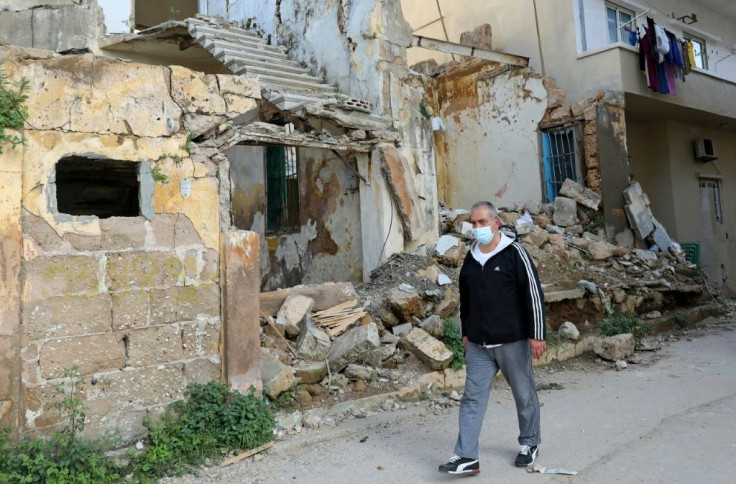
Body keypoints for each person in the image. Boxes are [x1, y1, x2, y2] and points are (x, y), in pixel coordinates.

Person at [439, 201, 546, 475]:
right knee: (472, 399)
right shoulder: (471, 257)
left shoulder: (514, 253)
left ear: (496, 223)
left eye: (482, 222)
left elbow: (532, 294)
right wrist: (466, 331)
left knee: (523, 395)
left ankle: (530, 443)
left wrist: (537, 335)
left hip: (513, 341)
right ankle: (466, 457)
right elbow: (466, 298)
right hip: (479, 345)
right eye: (474, 223)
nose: (477, 228)